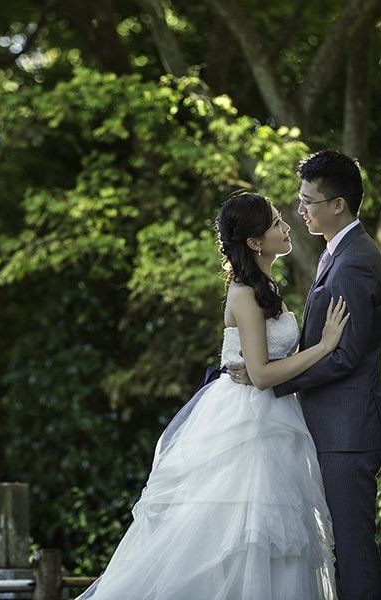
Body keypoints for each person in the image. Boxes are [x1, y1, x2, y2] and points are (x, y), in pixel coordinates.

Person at [76, 190, 349, 600]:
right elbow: (259, 375)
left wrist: (292, 358)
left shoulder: (267, 286)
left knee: (278, 537)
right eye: (277, 222)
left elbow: (268, 363)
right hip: (247, 420)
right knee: (240, 535)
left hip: (275, 414)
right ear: (255, 242)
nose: (287, 225)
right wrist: (324, 347)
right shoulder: (243, 292)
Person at [230, 151, 381, 600]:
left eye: (308, 201)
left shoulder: (355, 260)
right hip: (327, 427)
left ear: (337, 204)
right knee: (342, 548)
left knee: (355, 550)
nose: (300, 211)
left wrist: (271, 379)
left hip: (347, 431)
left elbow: (344, 357)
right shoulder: (335, 254)